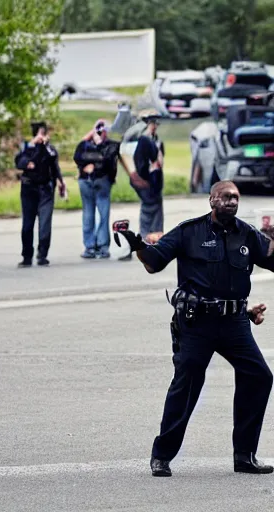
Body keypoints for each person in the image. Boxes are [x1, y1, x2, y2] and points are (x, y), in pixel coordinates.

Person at [114, 180, 274, 477]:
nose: (231, 202)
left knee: (259, 376)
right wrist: (135, 242)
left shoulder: (247, 234)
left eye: (235, 198)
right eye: (225, 197)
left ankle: (244, 456)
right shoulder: (189, 231)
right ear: (212, 200)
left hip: (234, 322)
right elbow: (154, 262)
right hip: (196, 322)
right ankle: (161, 455)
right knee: (187, 384)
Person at [74, 118, 148, 259]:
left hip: (101, 182)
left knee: (102, 214)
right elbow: (77, 157)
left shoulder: (109, 145)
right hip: (88, 182)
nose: (101, 132)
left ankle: (100, 246)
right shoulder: (86, 144)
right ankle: (91, 247)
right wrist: (90, 138)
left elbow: (109, 158)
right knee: (89, 214)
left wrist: (97, 143)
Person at [15, 121, 66, 267]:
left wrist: (61, 182)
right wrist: (33, 145)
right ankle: (27, 255)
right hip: (29, 189)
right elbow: (21, 162)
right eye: (41, 133)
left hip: (45, 189)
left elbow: (54, 166)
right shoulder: (27, 147)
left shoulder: (50, 149)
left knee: (45, 223)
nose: (44, 136)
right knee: (27, 225)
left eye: (45, 133)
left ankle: (42, 254)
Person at [130, 110, 165, 239]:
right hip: (146, 181)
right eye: (152, 123)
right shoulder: (143, 140)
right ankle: (146, 237)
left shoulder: (155, 140)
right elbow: (142, 163)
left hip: (154, 181)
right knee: (149, 209)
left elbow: (159, 161)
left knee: (156, 210)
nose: (155, 126)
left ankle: (154, 237)